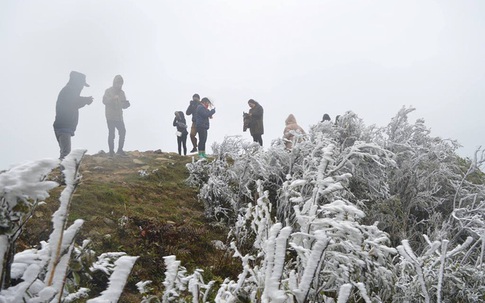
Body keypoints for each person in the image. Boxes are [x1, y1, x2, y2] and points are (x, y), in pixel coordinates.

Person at [53, 71, 93, 160]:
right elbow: (72, 103)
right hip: (63, 127)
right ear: (77, 83)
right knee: (66, 155)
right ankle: (63, 173)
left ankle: (62, 172)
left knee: (64, 153)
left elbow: (73, 102)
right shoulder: (69, 90)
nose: (82, 87)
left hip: (62, 127)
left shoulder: (69, 90)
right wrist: (85, 100)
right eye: (82, 84)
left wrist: (84, 100)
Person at [103, 75, 130, 157]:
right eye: (118, 83)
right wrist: (112, 99)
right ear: (114, 83)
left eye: (121, 83)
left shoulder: (122, 93)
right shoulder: (108, 91)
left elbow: (123, 105)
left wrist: (126, 104)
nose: (119, 85)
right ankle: (111, 152)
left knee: (123, 131)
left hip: (119, 117)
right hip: (110, 116)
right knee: (112, 134)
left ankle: (120, 150)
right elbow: (104, 101)